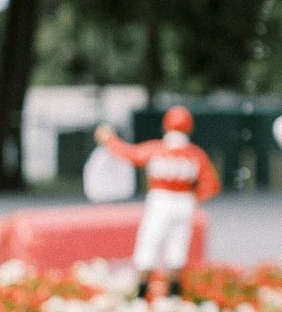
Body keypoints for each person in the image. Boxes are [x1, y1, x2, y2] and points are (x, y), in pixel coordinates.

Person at [94, 106, 220, 298]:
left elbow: (131, 154)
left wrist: (110, 140)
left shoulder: (157, 149)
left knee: (149, 243)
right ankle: (175, 292)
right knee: (178, 246)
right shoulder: (195, 154)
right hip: (184, 200)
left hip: (160, 200)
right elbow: (211, 184)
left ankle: (142, 292)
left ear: (166, 126)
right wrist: (196, 198)